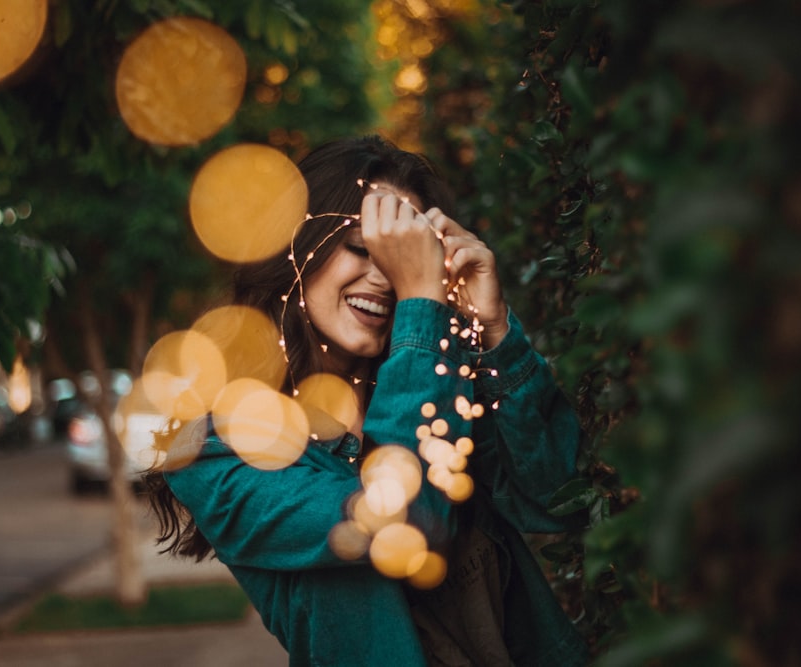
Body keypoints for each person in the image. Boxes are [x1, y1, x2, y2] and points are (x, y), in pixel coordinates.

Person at [145, 135, 588, 666]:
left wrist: (494, 330)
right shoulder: (220, 446)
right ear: (296, 248)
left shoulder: (439, 379)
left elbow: (559, 498)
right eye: (362, 247)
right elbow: (404, 520)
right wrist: (424, 302)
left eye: (405, 260)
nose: (385, 278)